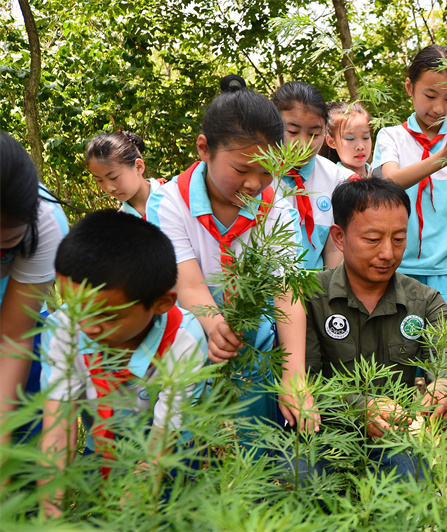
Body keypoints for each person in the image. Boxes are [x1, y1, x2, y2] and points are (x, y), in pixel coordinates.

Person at [147, 75, 317, 443]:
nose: (255, 184)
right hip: (189, 342)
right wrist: (214, 326)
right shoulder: (169, 203)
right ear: (204, 148)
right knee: (188, 450)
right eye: (241, 170)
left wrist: (294, 376)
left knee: (253, 455)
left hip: (254, 350)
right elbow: (188, 282)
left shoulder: (277, 212)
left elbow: (288, 292)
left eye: (267, 171)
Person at [39, 210, 207, 516]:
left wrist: (127, 515)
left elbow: (163, 438)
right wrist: (50, 512)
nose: (86, 326)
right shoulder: (64, 328)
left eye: (105, 315)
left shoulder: (184, 341)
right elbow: (58, 429)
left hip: (170, 455)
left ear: (161, 303)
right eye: (74, 306)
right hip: (101, 452)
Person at [305, 178, 447, 478]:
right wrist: (358, 407)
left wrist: (442, 389)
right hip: (324, 433)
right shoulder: (311, 297)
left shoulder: (426, 301)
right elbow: (306, 381)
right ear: (339, 237)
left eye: (398, 239)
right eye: (372, 239)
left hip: (394, 436)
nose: (388, 253)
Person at [372, 44, 447, 362]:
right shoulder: (390, 137)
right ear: (409, 87)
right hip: (397, 273)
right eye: (430, 95)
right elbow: (388, 183)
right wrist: (443, 156)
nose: (439, 107)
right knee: (395, 374)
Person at [0, 131, 69, 447]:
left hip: (18, 320)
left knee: (22, 437)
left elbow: (13, 338)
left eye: (5, 246)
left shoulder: (47, 222)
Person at [272, 82, 357, 270]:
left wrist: (325, 296)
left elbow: (334, 249)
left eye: (314, 134)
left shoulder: (337, 179)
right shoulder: (255, 175)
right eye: (292, 132)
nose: (303, 144)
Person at [85, 131, 165, 219]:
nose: (109, 188)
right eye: (99, 180)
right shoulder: (119, 225)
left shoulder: (173, 195)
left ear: (138, 167)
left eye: (113, 177)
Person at [324, 101, 372, 178]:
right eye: (350, 139)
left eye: (365, 137)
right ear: (331, 142)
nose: (360, 146)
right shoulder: (331, 179)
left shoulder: (381, 173)